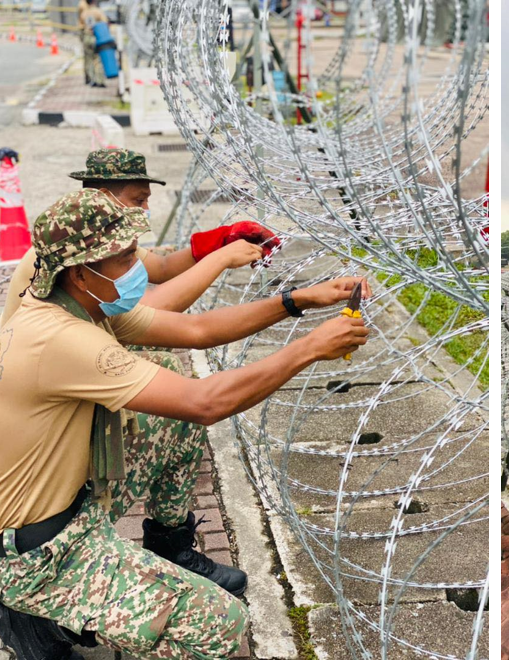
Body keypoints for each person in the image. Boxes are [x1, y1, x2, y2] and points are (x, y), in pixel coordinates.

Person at [0, 189, 370, 658]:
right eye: (126, 256)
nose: (140, 266)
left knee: (170, 422)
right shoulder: (60, 338)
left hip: (66, 504)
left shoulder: (80, 303)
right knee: (219, 623)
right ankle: (36, 605)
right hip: (35, 552)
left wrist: (297, 300)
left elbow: (198, 330)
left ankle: (165, 550)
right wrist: (309, 349)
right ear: (80, 271)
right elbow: (205, 401)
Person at [2, 147, 276, 327]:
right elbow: (157, 310)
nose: (146, 209)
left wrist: (221, 238)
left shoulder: (100, 235)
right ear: (104, 199)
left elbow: (163, 268)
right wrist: (222, 258)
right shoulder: (76, 244)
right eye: (139, 200)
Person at [79, 0, 109, 88]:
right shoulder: (98, 12)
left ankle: (92, 80)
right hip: (97, 37)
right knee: (98, 59)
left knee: (89, 60)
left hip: (87, 37)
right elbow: (105, 23)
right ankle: (100, 80)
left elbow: (80, 27)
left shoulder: (83, 13)